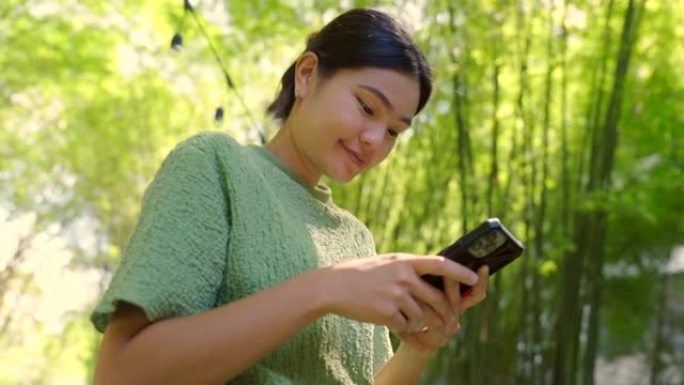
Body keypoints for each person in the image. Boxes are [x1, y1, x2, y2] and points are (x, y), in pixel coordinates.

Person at [91, 8, 490, 385]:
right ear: (307, 74)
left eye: (393, 132)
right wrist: (325, 289)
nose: (374, 140)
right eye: (367, 107)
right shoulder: (216, 165)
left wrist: (416, 351)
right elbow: (122, 371)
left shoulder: (356, 238)